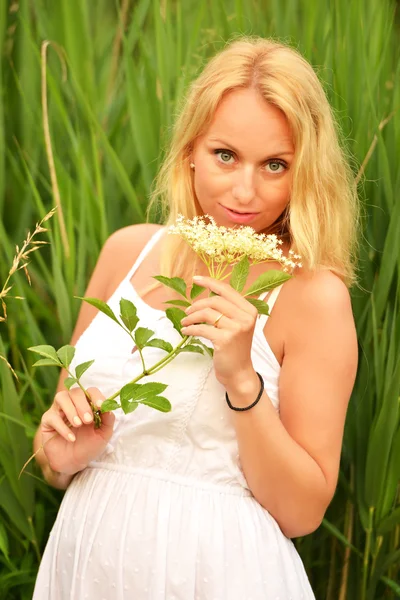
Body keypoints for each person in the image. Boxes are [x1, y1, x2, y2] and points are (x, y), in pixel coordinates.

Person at [32, 36, 359, 599]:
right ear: (190, 148)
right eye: (224, 154)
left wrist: (241, 379)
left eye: (275, 165)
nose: (243, 190)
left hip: (218, 573)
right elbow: (57, 447)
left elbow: (303, 512)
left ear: (303, 172)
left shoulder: (313, 296)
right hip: (89, 562)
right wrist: (59, 457)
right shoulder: (126, 251)